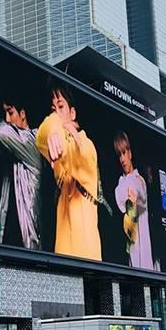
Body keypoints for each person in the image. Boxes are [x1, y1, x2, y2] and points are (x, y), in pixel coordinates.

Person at [35, 83, 102, 261]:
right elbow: (40, 139)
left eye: (61, 106)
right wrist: (54, 129)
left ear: (72, 113)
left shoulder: (86, 145)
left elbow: (72, 151)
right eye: (53, 110)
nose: (56, 114)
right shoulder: (54, 136)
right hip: (63, 255)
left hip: (86, 257)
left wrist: (61, 133)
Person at [0, 98, 43, 250]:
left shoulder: (34, 140)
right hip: (6, 235)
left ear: (23, 113)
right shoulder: (6, 142)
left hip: (27, 242)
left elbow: (0, 130)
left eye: (10, 112)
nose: (7, 118)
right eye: (5, 113)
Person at [113, 131, 154, 270]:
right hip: (132, 243)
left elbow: (138, 194)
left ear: (130, 154)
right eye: (119, 155)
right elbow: (121, 202)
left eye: (124, 153)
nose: (122, 159)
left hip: (143, 243)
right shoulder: (122, 183)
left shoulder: (138, 180)